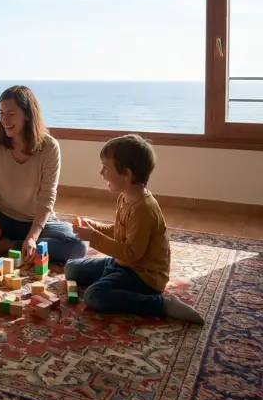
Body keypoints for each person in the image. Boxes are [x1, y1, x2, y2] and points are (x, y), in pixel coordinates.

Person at [65, 134, 204, 323]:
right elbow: (121, 230)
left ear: (127, 174)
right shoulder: (125, 196)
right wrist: (94, 226)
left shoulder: (143, 208)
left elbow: (132, 254)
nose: (101, 173)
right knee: (71, 269)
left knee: (94, 296)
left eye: (106, 167)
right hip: (122, 264)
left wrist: (94, 237)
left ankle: (162, 304)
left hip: (143, 276)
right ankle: (114, 282)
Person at [0, 85, 87, 264]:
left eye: (11, 113)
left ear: (28, 114)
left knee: (77, 246)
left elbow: (47, 197)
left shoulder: (50, 148)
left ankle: (11, 244)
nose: (4, 119)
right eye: (1, 113)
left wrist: (33, 237)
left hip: (34, 220)